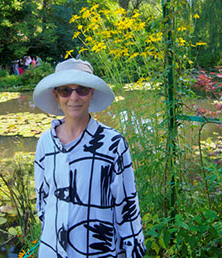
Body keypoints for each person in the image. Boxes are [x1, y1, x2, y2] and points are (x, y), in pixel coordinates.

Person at [33, 58, 146, 258]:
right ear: (56, 95)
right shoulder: (45, 143)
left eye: (82, 89)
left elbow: (127, 205)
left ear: (91, 93)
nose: (74, 97)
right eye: (66, 90)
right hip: (52, 251)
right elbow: (42, 199)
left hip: (97, 252)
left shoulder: (113, 144)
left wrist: (133, 252)